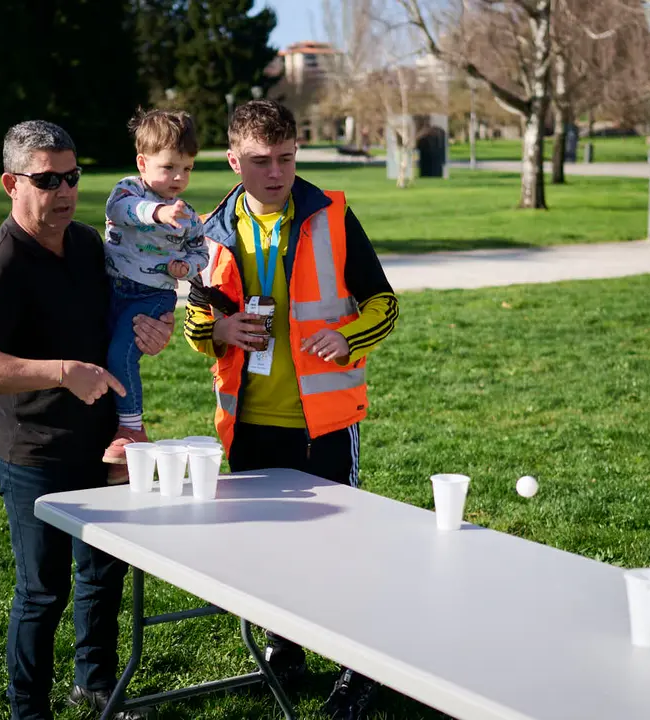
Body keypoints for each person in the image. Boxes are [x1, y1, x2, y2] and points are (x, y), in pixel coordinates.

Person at [184, 99, 399, 719]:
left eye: (285, 158)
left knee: (340, 551)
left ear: (296, 153)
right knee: (269, 551)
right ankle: (286, 650)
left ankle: (359, 671)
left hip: (324, 421)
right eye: (259, 161)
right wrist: (219, 332)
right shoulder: (209, 230)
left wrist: (348, 336)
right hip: (247, 421)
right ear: (234, 160)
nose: (275, 173)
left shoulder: (332, 214)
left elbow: (383, 301)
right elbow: (198, 325)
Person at [0, 120, 172, 720]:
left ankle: (95, 685)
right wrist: (62, 371)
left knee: (102, 570)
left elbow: (120, 315)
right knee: (43, 590)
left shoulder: (85, 245)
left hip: (101, 441)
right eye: (47, 180)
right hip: (35, 449)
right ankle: (30, 711)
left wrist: (151, 331)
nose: (65, 190)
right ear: (11, 184)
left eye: (72, 176)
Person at [100, 109, 209, 461]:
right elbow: (119, 210)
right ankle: (104, 425)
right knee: (100, 349)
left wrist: (186, 266)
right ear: (142, 163)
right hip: (112, 288)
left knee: (122, 354)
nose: (179, 177)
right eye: (169, 167)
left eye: (187, 169)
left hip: (153, 296)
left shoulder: (187, 213)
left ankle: (131, 427)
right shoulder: (128, 189)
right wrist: (157, 213)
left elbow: (201, 252)